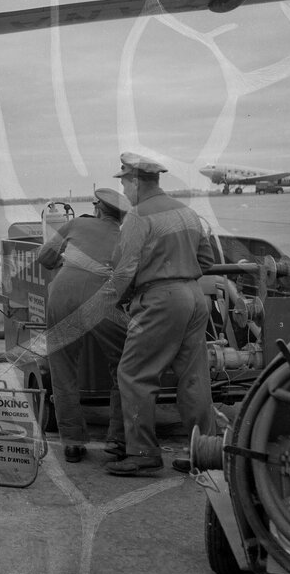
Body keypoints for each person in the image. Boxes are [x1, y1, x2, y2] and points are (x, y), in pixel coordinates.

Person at [103, 152, 217, 477]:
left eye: (125, 182)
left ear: (136, 181)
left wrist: (121, 300)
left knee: (133, 374)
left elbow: (124, 270)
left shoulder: (138, 217)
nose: (124, 190)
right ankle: (206, 452)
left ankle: (142, 453)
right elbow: (206, 260)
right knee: (194, 377)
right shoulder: (188, 213)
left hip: (160, 300)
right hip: (194, 298)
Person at [38, 188, 131, 463]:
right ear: (122, 216)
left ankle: (73, 441)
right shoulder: (126, 236)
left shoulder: (76, 223)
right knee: (125, 366)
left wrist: (64, 262)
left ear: (97, 208)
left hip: (62, 297)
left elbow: (45, 257)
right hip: (102, 302)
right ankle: (117, 439)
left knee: (63, 368)